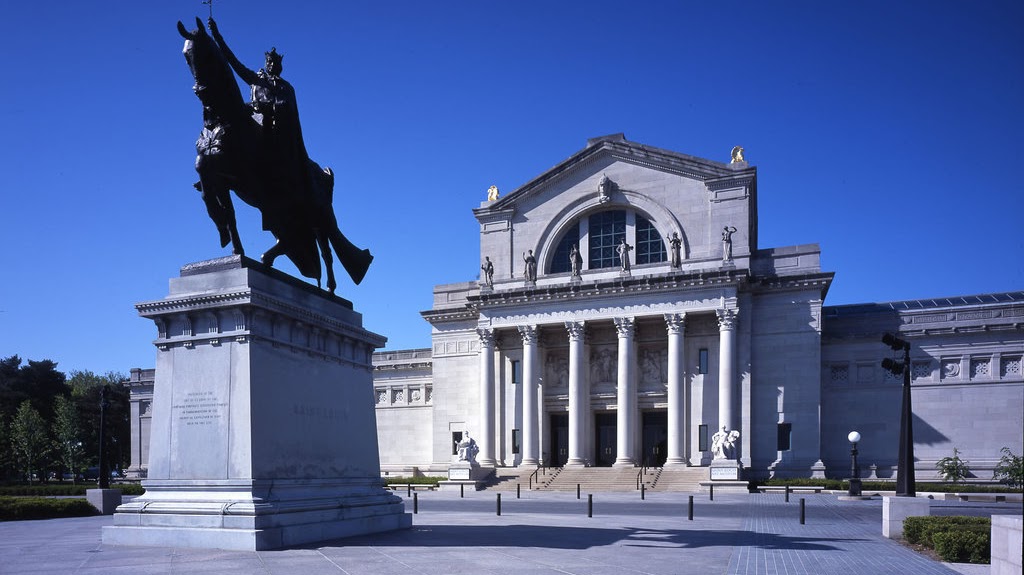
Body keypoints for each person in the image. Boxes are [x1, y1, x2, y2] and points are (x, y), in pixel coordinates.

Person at [208, 18, 310, 200]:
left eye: (275, 63)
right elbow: (233, 61)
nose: (272, 65)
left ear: (280, 66)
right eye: (269, 62)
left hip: (275, 131)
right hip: (254, 121)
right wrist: (217, 36)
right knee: (229, 129)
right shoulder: (256, 79)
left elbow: (289, 110)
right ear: (266, 63)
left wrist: (273, 107)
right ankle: (213, 170)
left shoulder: (287, 87)